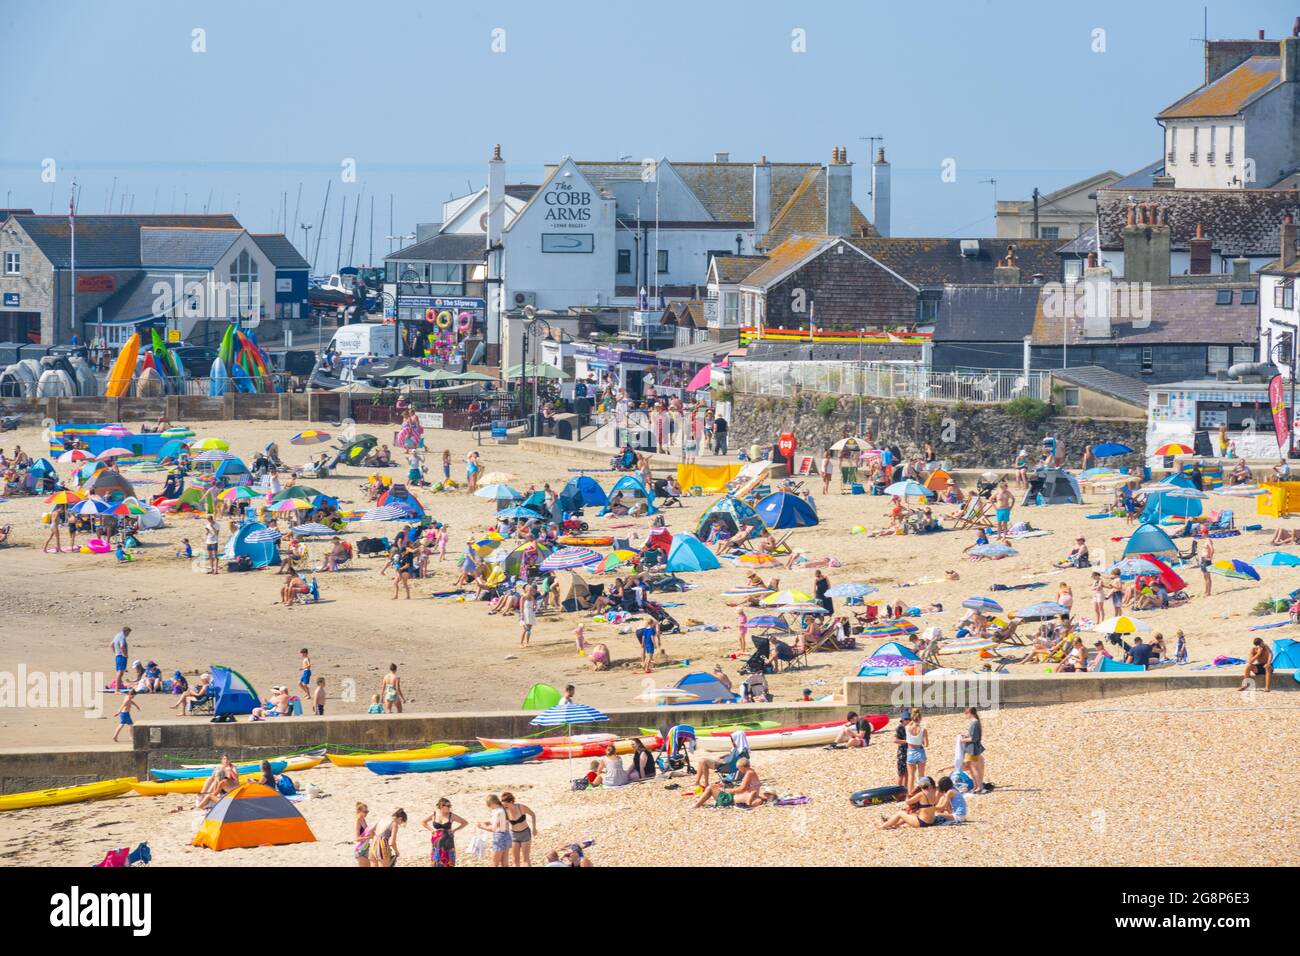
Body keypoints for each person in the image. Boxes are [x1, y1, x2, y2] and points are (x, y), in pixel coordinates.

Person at [694, 757, 776, 808]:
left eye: (739, 768)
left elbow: (742, 788)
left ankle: (696, 805)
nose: (739, 770)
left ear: (742, 767)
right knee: (715, 787)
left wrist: (728, 790)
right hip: (733, 798)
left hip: (729, 799)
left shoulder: (749, 773)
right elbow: (746, 790)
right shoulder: (752, 773)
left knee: (710, 787)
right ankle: (699, 803)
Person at [421, 798, 468, 868]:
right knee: (436, 859)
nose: (449, 807)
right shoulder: (434, 814)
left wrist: (454, 830)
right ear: (441, 806)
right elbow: (423, 822)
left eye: (449, 806)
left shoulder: (451, 815)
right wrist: (431, 830)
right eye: (447, 806)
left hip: (447, 841)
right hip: (436, 841)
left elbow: (464, 822)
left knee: (448, 860)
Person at [500, 792, 537, 867]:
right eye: (504, 806)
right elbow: (502, 826)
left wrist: (534, 828)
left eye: (506, 805)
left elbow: (533, 814)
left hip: (525, 833)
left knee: (525, 859)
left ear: (511, 802)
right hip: (514, 835)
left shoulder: (521, 807)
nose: (505, 807)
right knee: (515, 860)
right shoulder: (504, 811)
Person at [477, 795, 511, 867]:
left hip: (499, 837)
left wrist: (482, 827)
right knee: (504, 862)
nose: (489, 807)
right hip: (507, 836)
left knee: (494, 862)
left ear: (492, 803)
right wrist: (486, 822)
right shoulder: (502, 810)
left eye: (489, 805)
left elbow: (493, 829)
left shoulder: (498, 812)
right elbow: (500, 823)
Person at [903, 708, 927, 790]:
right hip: (920, 751)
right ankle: (922, 793)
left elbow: (910, 723)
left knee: (911, 776)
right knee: (921, 776)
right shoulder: (923, 730)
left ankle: (910, 794)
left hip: (910, 752)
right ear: (920, 718)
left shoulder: (907, 728)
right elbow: (926, 744)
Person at [111, 626, 131, 692]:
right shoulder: (122, 637)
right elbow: (122, 646)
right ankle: (117, 690)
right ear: (125, 631)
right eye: (128, 633)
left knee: (120, 672)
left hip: (118, 656)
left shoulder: (117, 635)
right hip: (121, 656)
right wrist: (125, 654)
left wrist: (115, 652)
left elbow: (111, 645)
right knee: (120, 672)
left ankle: (118, 688)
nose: (128, 635)